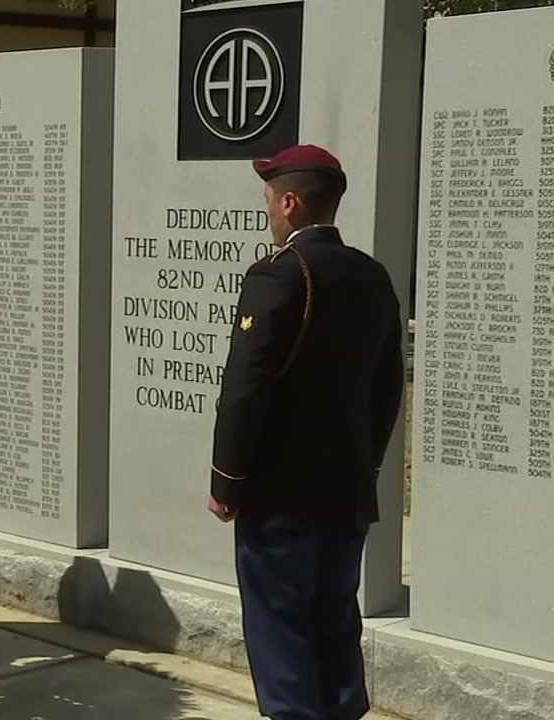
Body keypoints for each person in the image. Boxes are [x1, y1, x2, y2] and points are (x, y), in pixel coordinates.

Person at [207, 144, 404, 720]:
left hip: (279, 495)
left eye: (269, 199)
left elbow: (246, 386)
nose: (267, 210)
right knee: (334, 618)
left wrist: (227, 479)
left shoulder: (280, 275)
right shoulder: (372, 275)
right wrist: (365, 465)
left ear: (290, 202)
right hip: (345, 491)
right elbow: (388, 384)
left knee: (281, 628)